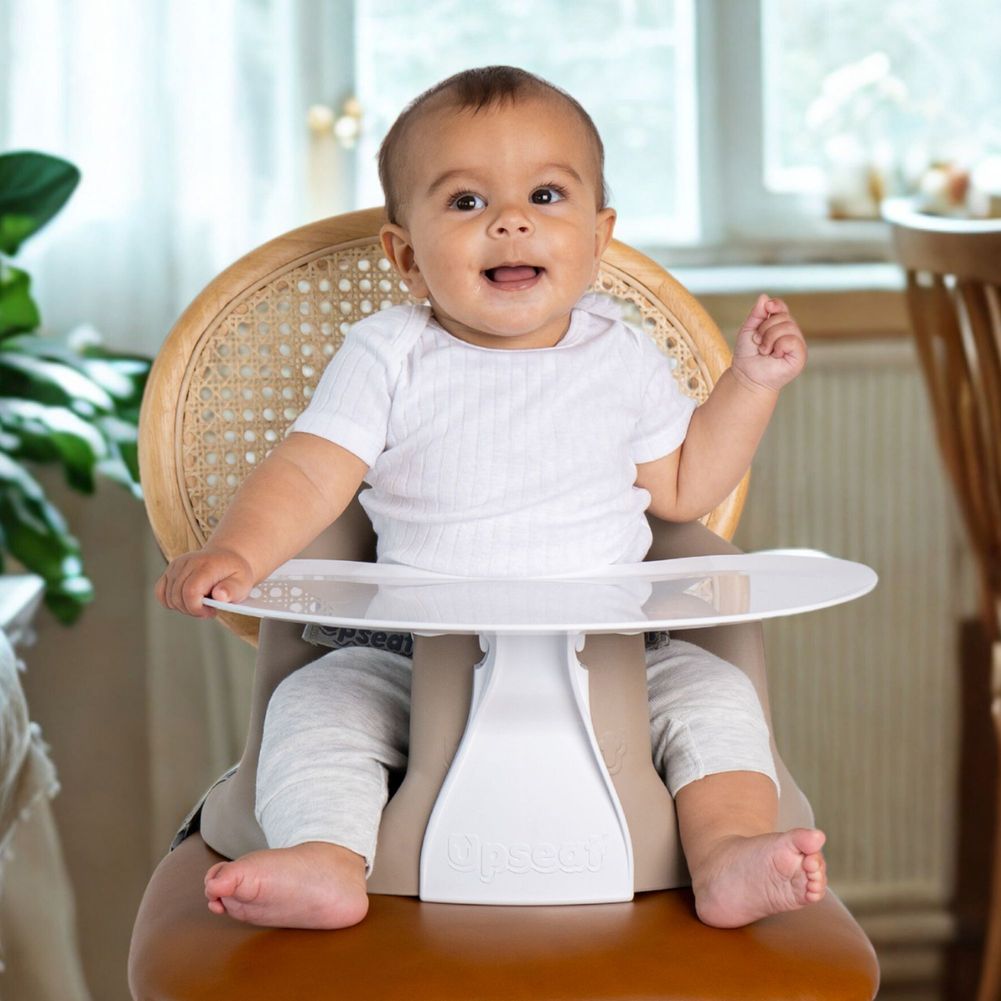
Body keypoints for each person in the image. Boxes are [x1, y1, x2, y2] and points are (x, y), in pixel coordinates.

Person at [156, 65, 825, 932]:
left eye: (545, 195)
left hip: (616, 650)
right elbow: (311, 472)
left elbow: (685, 485)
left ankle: (727, 850)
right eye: (467, 202)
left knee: (714, 698)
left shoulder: (620, 354)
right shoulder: (389, 352)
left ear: (598, 236)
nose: (510, 221)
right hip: (409, 651)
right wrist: (237, 550)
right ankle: (325, 854)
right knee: (316, 707)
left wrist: (750, 385)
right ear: (405, 255)